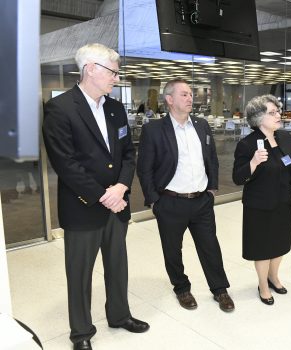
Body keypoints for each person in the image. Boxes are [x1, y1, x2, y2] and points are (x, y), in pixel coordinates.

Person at [42, 43, 149, 350]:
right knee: (79, 274)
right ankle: (81, 333)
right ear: (90, 69)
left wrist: (121, 188)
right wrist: (104, 195)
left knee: (118, 265)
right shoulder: (61, 108)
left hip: (117, 204)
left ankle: (119, 315)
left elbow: (128, 153)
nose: (116, 78)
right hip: (83, 207)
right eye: (112, 72)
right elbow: (65, 163)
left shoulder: (115, 108)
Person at [136, 78, 235, 313]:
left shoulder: (201, 125)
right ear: (169, 100)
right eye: (184, 94)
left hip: (201, 200)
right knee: (172, 249)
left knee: (210, 246)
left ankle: (219, 289)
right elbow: (144, 168)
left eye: (191, 94)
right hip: (170, 201)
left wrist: (211, 189)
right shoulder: (154, 129)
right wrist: (154, 201)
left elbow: (211, 158)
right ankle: (181, 288)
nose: (190, 98)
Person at [232, 95, 291, 305]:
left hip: (283, 201)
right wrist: (254, 162)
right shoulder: (247, 145)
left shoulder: (284, 137)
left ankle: (274, 276)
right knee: (262, 246)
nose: (279, 115)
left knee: (279, 243)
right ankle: (263, 284)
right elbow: (238, 178)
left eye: (278, 111)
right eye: (272, 112)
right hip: (259, 205)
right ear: (258, 118)